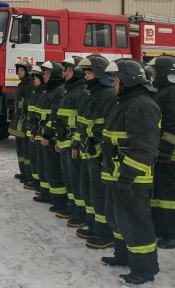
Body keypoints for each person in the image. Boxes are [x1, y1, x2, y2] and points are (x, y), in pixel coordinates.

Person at [100, 58, 161, 286]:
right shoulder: (125, 102)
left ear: (127, 80)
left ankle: (144, 269)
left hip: (133, 178)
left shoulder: (142, 105)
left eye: (116, 80)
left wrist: (127, 174)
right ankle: (123, 256)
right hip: (119, 174)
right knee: (119, 220)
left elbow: (144, 146)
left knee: (137, 224)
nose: (113, 84)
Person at [73, 54, 117, 249]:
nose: (85, 76)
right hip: (88, 151)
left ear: (99, 73)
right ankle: (93, 226)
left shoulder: (107, 95)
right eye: (84, 72)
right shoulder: (91, 93)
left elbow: (110, 126)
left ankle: (105, 233)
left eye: (89, 72)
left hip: (98, 153)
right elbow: (81, 122)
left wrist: (95, 141)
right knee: (89, 192)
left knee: (100, 195)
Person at [54, 56, 87, 226]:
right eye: (65, 70)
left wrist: (76, 144)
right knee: (68, 178)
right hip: (65, 142)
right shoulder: (69, 90)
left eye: (68, 70)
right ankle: (72, 206)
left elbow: (82, 123)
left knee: (76, 180)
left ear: (78, 72)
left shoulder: (81, 92)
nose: (65, 73)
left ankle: (81, 213)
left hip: (74, 144)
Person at [148, 55, 175, 249]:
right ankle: (162, 227)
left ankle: (171, 233)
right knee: (160, 194)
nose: (153, 75)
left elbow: (172, 125)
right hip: (159, 152)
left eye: (156, 71)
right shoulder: (162, 91)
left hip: (169, 154)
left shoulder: (171, 93)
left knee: (168, 196)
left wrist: (164, 149)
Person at [38, 60, 67, 214]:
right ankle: (53, 197)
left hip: (54, 138)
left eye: (48, 73)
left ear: (55, 75)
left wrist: (48, 134)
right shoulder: (52, 90)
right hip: (51, 137)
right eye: (44, 73)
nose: (45, 76)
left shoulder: (59, 91)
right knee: (50, 169)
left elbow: (55, 115)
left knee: (55, 171)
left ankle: (60, 202)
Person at [7, 60, 34, 185]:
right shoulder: (22, 83)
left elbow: (28, 101)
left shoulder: (29, 84)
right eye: (18, 70)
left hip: (24, 120)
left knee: (26, 149)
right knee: (20, 148)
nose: (19, 72)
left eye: (22, 70)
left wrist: (21, 106)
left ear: (27, 71)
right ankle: (23, 172)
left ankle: (29, 175)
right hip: (19, 119)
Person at [26, 66, 45, 194]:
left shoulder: (41, 94)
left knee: (38, 161)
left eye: (36, 79)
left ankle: (38, 184)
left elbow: (38, 115)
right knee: (34, 159)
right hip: (33, 131)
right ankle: (35, 181)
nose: (34, 81)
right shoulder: (36, 93)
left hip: (38, 134)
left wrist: (34, 131)